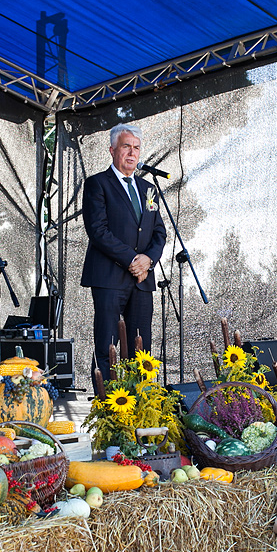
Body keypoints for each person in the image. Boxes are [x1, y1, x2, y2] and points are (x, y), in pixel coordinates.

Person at [80, 123, 167, 382]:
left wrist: (148, 260)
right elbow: (98, 231)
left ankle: (141, 407)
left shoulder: (148, 189)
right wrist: (132, 260)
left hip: (142, 280)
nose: (132, 153)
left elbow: (159, 232)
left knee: (142, 350)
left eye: (136, 148)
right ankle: (108, 410)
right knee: (108, 346)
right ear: (112, 150)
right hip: (109, 279)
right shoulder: (97, 184)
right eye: (126, 146)